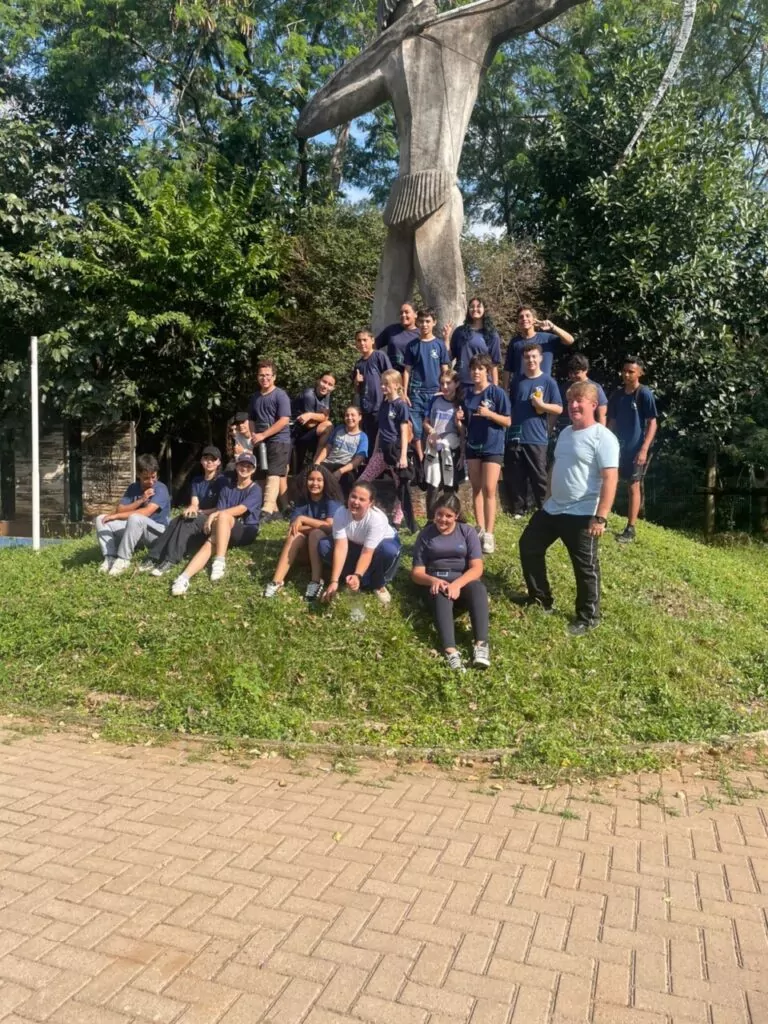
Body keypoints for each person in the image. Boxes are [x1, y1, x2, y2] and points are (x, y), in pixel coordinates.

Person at [517, 381, 619, 636]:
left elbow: (610, 478)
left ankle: (588, 616)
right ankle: (541, 600)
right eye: (571, 400)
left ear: (593, 405)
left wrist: (601, 517)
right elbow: (555, 466)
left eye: (579, 401)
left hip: (583, 513)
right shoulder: (565, 433)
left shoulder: (602, 437)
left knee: (585, 567)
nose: (573, 405)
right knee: (529, 545)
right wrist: (548, 498)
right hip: (553, 509)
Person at [411, 492, 490, 672]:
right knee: (439, 592)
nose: (443, 519)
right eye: (439, 514)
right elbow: (416, 573)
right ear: (434, 513)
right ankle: (451, 651)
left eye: (448, 516)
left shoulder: (467, 532)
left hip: (461, 582)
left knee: (478, 587)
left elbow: (477, 568)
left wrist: (457, 584)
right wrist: (433, 580)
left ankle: (481, 645)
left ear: (456, 515)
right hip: (436, 582)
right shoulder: (425, 535)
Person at [171, 452, 262, 595]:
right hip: (225, 528)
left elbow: (241, 509)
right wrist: (216, 515)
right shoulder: (227, 488)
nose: (245, 468)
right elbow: (221, 509)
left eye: (249, 466)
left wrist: (214, 514)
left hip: (246, 530)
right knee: (211, 542)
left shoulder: (255, 489)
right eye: (242, 465)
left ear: (254, 469)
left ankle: (219, 560)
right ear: (236, 466)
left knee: (224, 516)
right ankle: (183, 577)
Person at [139, 446, 227, 576]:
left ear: (218, 462)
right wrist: (192, 508)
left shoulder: (222, 481)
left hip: (211, 518)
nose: (209, 462)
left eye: (213, 459)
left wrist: (200, 512)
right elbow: (194, 502)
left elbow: (221, 508)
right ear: (201, 461)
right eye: (206, 458)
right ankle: (154, 556)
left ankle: (171, 559)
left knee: (187, 523)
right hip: (199, 514)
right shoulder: (197, 481)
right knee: (176, 520)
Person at [311, 481, 401, 606]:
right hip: (354, 544)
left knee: (388, 551)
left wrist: (357, 575)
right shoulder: (341, 513)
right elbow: (341, 547)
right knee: (324, 546)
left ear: (371, 503)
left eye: (362, 499)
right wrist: (334, 581)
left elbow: (367, 552)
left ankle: (378, 583)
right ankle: (351, 578)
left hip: (379, 547)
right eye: (353, 496)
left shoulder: (377, 519)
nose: (355, 502)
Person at [263, 465, 344, 599]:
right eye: (311, 479)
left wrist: (303, 519)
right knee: (295, 536)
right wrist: (317, 526)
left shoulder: (331, 500)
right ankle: (276, 581)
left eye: (319, 480)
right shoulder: (302, 501)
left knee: (315, 534)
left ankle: (315, 581)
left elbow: (331, 527)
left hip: (327, 549)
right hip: (306, 549)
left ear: (326, 482)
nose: (315, 483)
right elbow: (293, 528)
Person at [504, 342, 562, 518]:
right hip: (515, 435)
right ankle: (519, 509)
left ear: (540, 358)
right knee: (516, 474)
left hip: (537, 436)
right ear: (523, 359)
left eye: (534, 356)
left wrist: (542, 405)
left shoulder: (548, 381)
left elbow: (559, 409)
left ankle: (544, 509)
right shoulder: (517, 381)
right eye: (527, 357)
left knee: (539, 476)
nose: (531, 360)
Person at [463, 353, 511, 555]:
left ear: (487, 371)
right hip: (473, 446)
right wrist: (459, 420)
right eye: (473, 368)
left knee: (489, 488)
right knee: (476, 488)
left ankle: (490, 534)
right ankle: (480, 529)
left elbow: (508, 421)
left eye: (480, 369)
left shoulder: (497, 393)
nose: (476, 372)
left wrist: (489, 414)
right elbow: (466, 422)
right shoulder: (466, 394)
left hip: (492, 446)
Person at [607, 356, 658, 543]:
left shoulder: (644, 394)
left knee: (633, 485)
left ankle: (630, 528)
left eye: (631, 371)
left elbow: (653, 422)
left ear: (640, 373)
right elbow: (611, 421)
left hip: (636, 448)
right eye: (625, 371)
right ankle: (601, 518)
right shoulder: (617, 395)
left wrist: (644, 449)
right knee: (609, 481)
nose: (626, 375)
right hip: (616, 448)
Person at [94, 453, 171, 576]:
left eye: (154, 477)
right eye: (146, 478)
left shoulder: (161, 488)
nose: (151, 481)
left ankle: (123, 559)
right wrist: (141, 500)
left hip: (156, 533)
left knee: (135, 518)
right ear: (138, 474)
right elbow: (120, 509)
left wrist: (116, 516)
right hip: (134, 532)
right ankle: (110, 557)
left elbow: (146, 512)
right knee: (101, 519)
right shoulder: (133, 488)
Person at [358, 369, 416, 532]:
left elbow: (404, 432)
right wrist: (375, 450)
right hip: (382, 451)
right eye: (381, 384)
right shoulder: (384, 404)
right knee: (363, 480)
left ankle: (397, 520)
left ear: (397, 385)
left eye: (386, 384)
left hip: (396, 451)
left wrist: (404, 455)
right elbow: (380, 430)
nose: (383, 387)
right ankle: (365, 511)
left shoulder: (401, 405)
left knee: (401, 486)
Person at [402, 307, 450, 464]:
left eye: (428, 321)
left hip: (435, 392)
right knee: (416, 429)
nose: (424, 325)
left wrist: (446, 389)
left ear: (434, 323)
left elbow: (445, 370)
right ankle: (421, 462)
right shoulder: (412, 345)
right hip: (415, 392)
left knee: (434, 428)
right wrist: (404, 392)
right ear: (417, 322)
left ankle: (435, 461)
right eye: (421, 321)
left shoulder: (440, 345)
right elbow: (407, 371)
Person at [248, 360, 292, 520]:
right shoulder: (254, 397)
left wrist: (263, 435)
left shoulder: (280, 395)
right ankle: (276, 510)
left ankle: (266, 510)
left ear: (274, 377)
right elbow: (251, 419)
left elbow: (284, 420)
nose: (264, 378)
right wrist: (254, 436)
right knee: (260, 474)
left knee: (274, 474)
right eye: (261, 375)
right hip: (260, 441)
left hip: (279, 441)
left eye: (267, 375)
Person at [423, 370, 464, 519]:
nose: (445, 386)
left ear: (456, 384)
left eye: (448, 383)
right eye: (442, 383)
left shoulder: (460, 403)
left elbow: (462, 431)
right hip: (434, 445)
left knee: (450, 485)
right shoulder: (435, 400)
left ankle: (452, 517)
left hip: (451, 448)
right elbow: (426, 422)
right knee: (433, 484)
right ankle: (430, 519)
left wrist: (458, 422)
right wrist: (431, 432)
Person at [503, 306, 575, 385]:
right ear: (518, 321)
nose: (524, 319)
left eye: (527, 316)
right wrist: (505, 391)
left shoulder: (547, 338)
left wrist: (552, 327)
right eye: (521, 317)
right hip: (521, 389)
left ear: (534, 320)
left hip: (543, 388)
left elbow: (570, 340)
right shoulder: (515, 342)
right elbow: (507, 369)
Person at [444, 297, 502, 388]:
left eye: (479, 306)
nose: (475, 309)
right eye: (472, 307)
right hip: (460, 383)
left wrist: (495, 389)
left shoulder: (491, 334)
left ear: (485, 309)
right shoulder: (459, 332)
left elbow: (494, 364)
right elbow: (448, 357)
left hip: (483, 384)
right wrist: (446, 338)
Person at [314, 405, 369, 496]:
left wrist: (340, 471)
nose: (349, 418)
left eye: (352, 415)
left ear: (359, 417)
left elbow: (358, 459)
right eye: (347, 415)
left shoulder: (363, 437)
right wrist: (317, 463)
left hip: (346, 467)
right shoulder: (338, 429)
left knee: (347, 479)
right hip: (329, 463)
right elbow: (327, 447)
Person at [353, 329, 392, 449]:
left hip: (381, 405)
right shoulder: (358, 364)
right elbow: (356, 390)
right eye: (359, 340)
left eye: (365, 340)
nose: (362, 343)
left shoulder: (379, 356)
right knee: (370, 440)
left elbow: (391, 376)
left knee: (382, 440)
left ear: (372, 340)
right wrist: (356, 382)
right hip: (366, 409)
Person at [291, 371, 336, 472]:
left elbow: (325, 416)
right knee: (327, 425)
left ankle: (316, 464)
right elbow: (309, 424)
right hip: (296, 433)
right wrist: (322, 417)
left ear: (333, 388)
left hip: (311, 432)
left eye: (330, 384)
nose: (326, 386)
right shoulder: (309, 395)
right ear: (318, 381)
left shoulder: (327, 395)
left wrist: (311, 415)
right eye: (324, 382)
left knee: (330, 428)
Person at [375, 302, 420, 370]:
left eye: (406, 312)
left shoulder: (420, 334)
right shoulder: (391, 330)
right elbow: (373, 346)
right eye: (401, 313)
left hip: (412, 376)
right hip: (392, 376)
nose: (403, 315)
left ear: (415, 314)